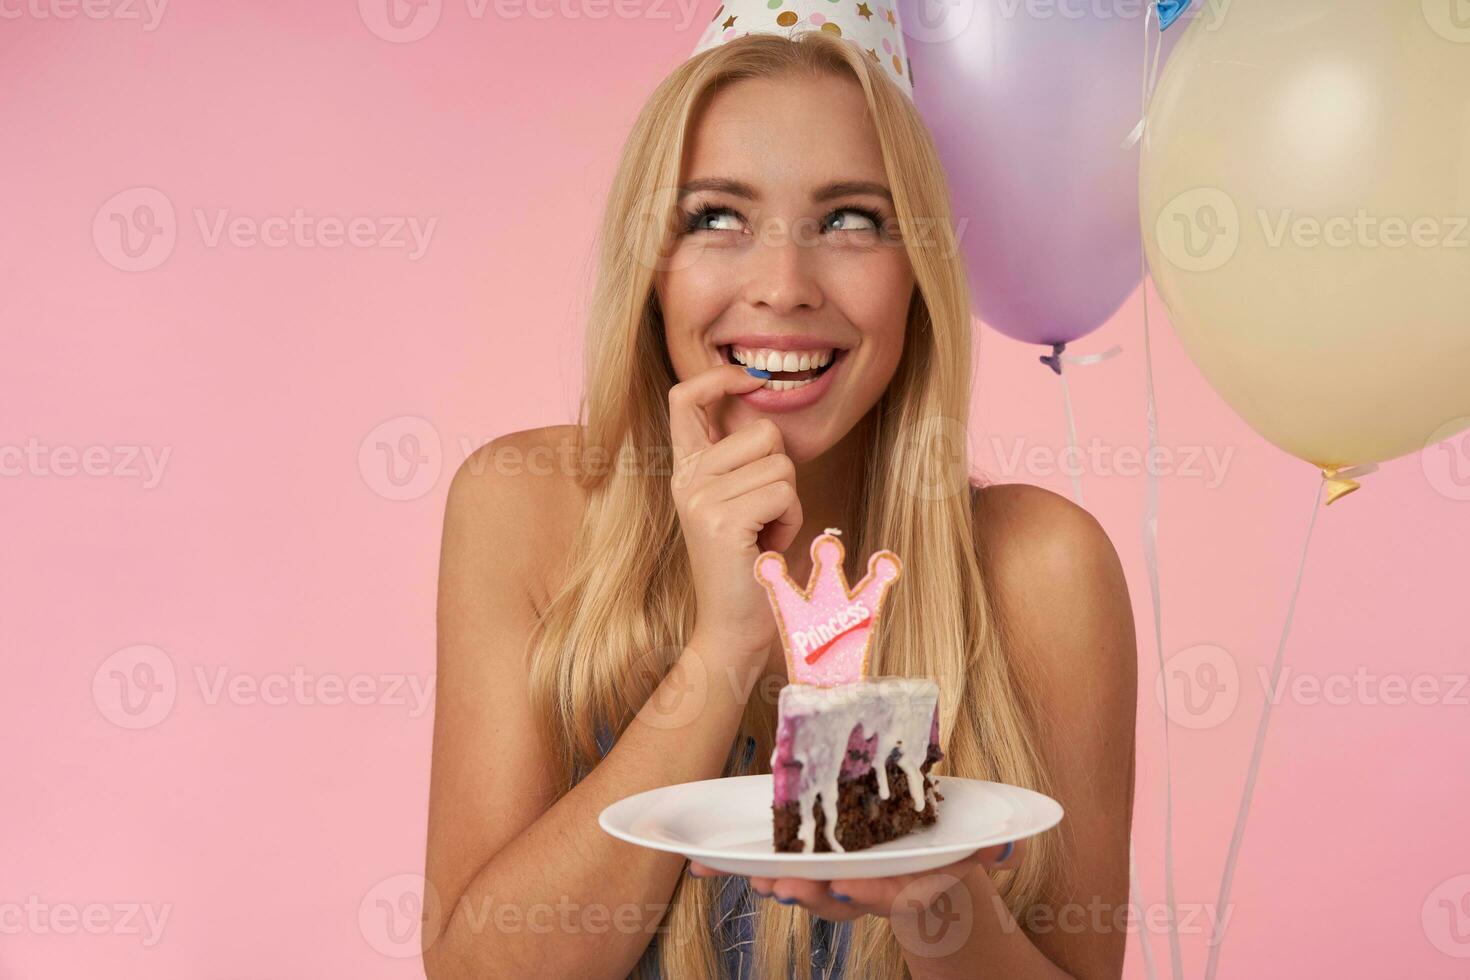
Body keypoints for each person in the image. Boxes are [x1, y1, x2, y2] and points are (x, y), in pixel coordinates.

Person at [422, 30, 1136, 980]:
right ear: (652, 263)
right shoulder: (523, 512)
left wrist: (930, 892)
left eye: (850, 220)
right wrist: (725, 647)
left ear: (919, 268)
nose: (783, 288)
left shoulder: (1045, 568)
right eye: (717, 216)